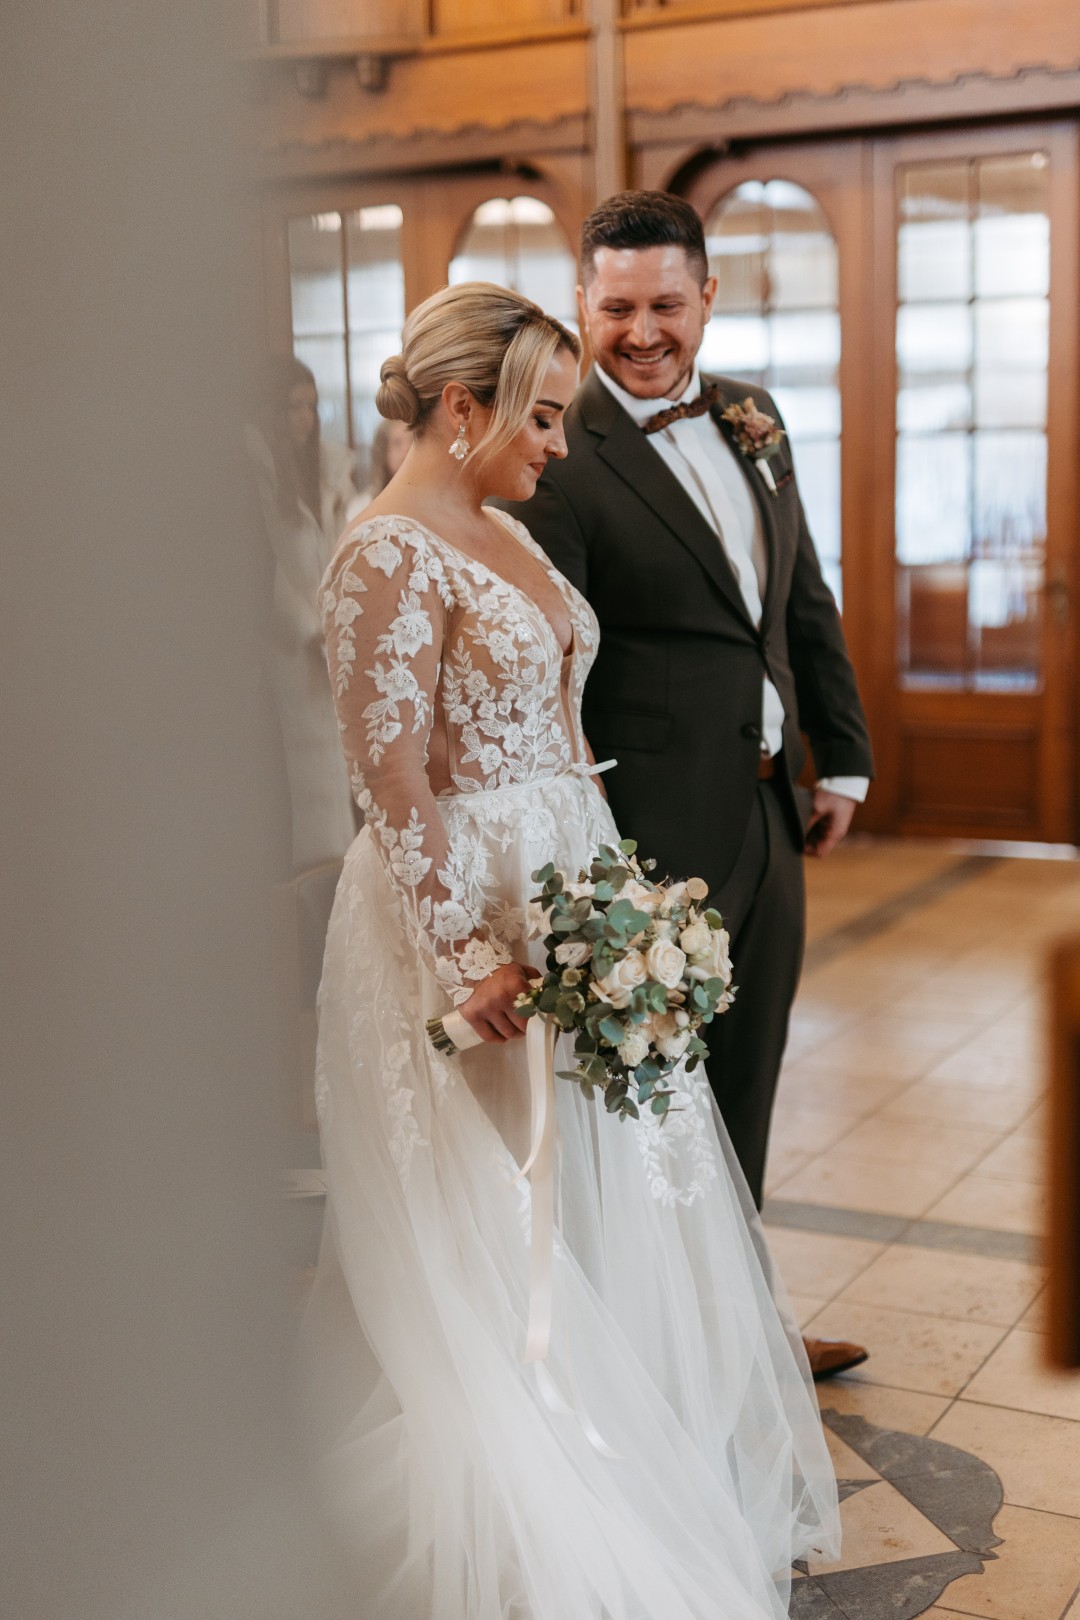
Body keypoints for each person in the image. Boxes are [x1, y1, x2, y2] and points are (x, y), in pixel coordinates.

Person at [302, 281, 840, 1619]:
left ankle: (638, 1454)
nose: (557, 442)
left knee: (610, 1188)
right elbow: (392, 777)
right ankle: (533, 1488)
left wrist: (617, 906)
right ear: (463, 407)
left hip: (570, 885)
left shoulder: (502, 530)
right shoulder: (383, 552)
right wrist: (464, 956)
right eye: (540, 417)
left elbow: (555, 723)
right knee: (502, 1206)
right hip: (468, 913)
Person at [499, 191, 874, 1381]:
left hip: (769, 806)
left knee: (748, 1077)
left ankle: (739, 1329)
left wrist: (840, 755)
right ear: (582, 302)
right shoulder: (557, 450)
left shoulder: (757, 416)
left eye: (666, 303)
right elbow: (549, 666)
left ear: (708, 297)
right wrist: (585, 841)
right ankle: (652, 1355)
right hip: (644, 825)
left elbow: (799, 594)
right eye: (616, 308)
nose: (643, 331)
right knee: (654, 1100)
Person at [246, 357, 358, 869]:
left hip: (329, 637)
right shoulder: (259, 479)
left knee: (336, 756)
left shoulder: (326, 476)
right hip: (286, 646)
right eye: (294, 406)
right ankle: (306, 873)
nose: (306, 419)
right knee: (297, 764)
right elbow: (259, 570)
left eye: (312, 406)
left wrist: (340, 622)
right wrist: (307, 628)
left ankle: (335, 869)